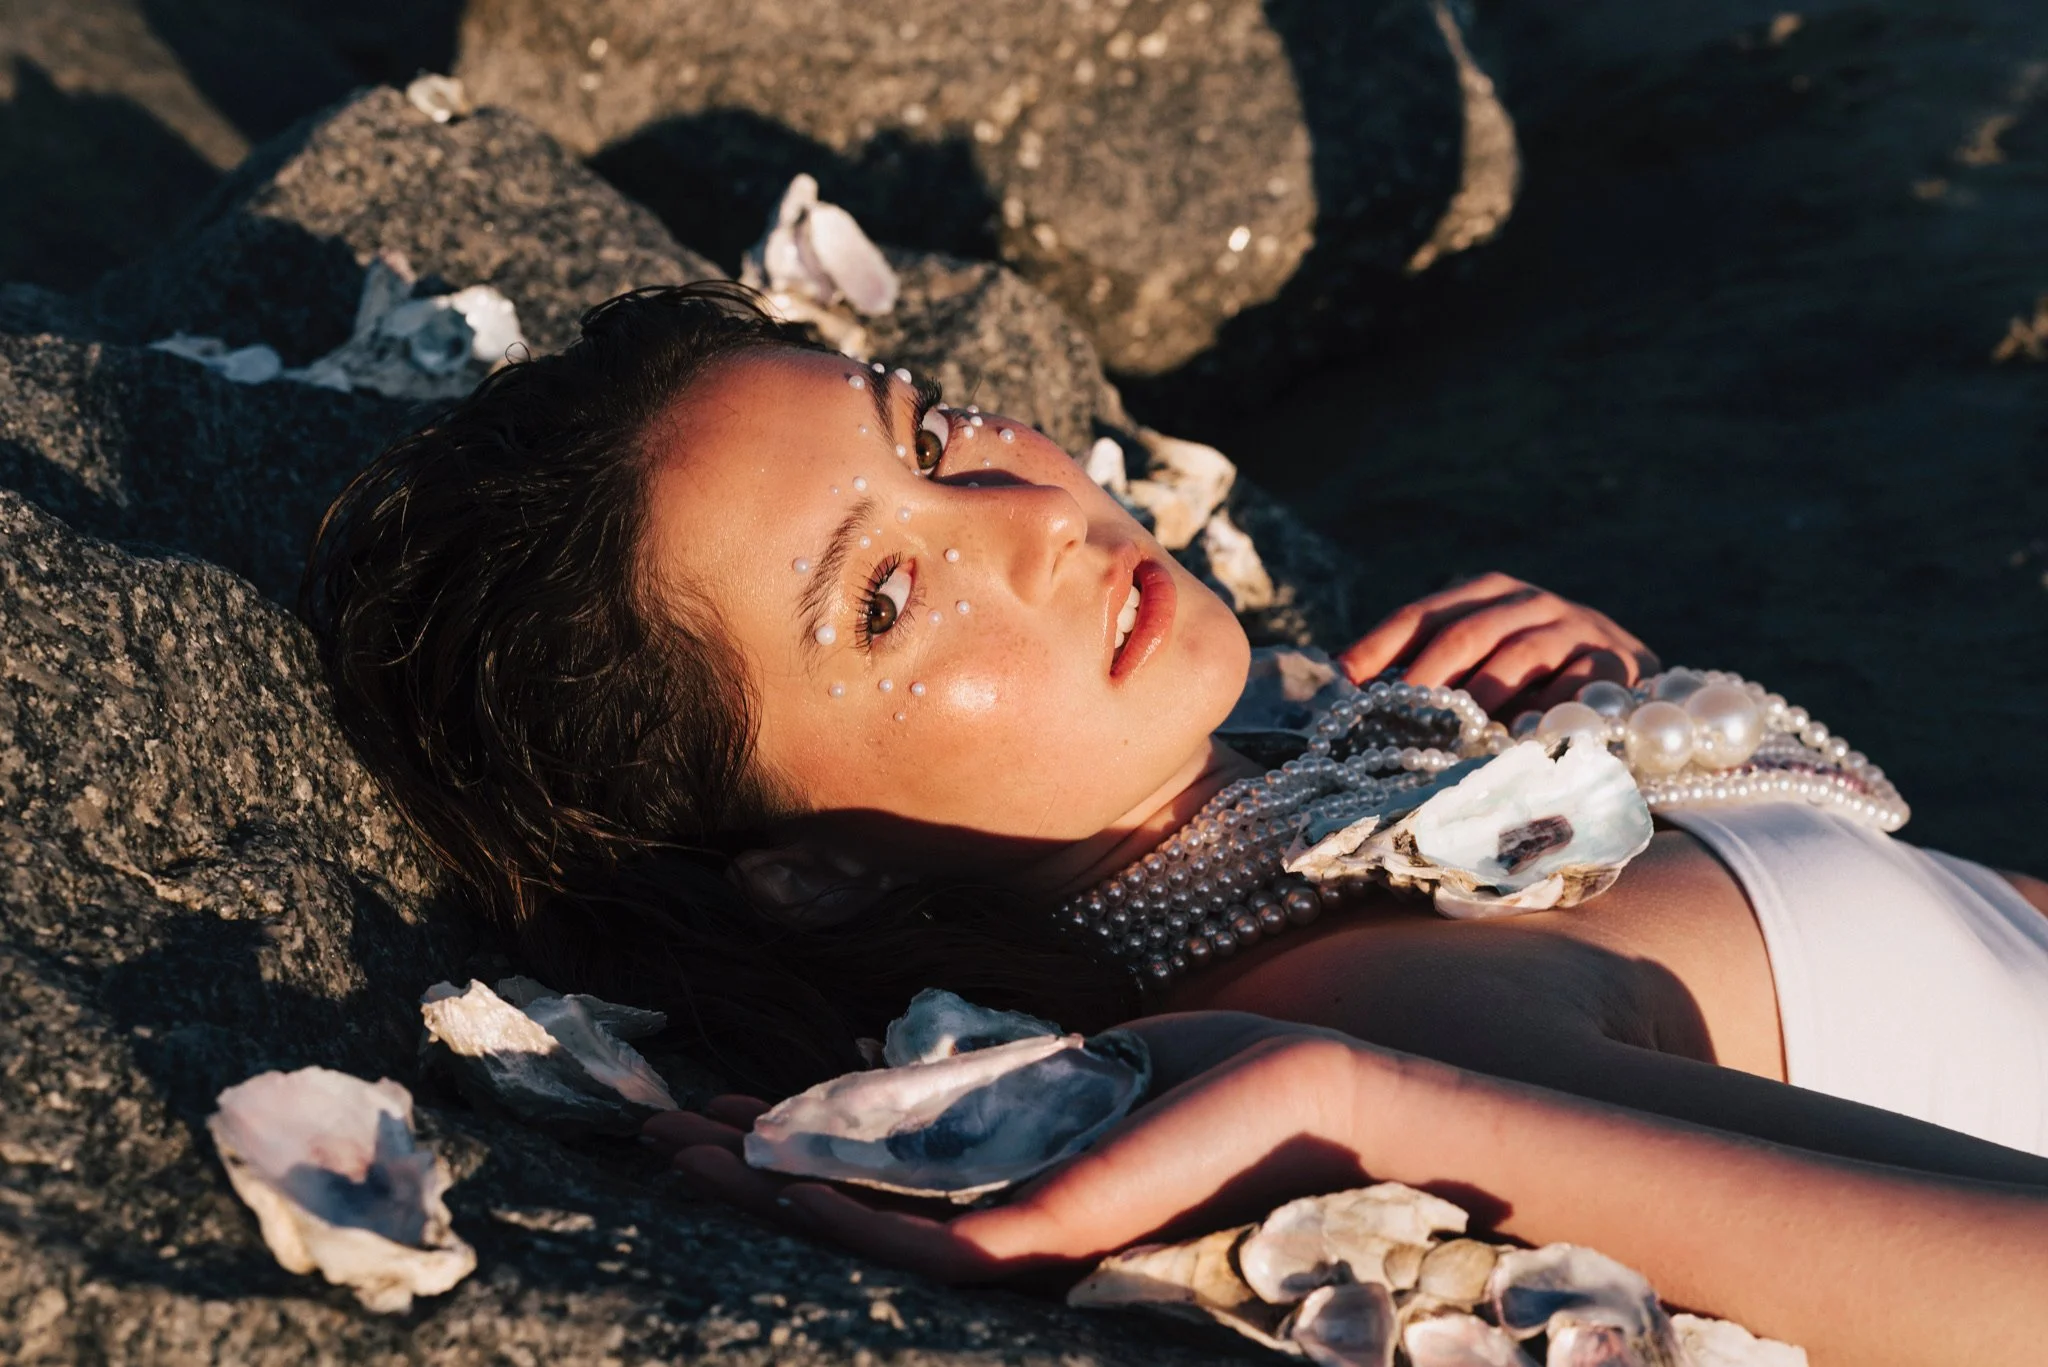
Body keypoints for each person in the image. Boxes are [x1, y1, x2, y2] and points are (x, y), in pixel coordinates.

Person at [306, 283, 2048, 1364]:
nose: (1028, 519)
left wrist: (1625, 713)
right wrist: (1340, 1104)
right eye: (892, 597)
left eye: (932, 430)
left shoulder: (1298, 745)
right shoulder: (1390, 1015)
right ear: (813, 866)